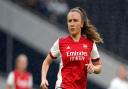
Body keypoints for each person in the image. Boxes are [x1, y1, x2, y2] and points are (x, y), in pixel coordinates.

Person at [40, 7, 103, 89]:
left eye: (75, 20)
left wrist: (93, 68)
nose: (72, 24)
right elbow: (46, 62)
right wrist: (43, 79)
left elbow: (99, 67)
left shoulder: (90, 43)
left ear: (82, 24)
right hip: (62, 86)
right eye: (69, 21)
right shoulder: (61, 42)